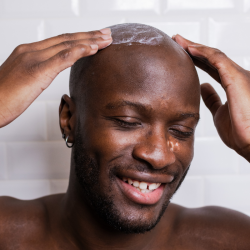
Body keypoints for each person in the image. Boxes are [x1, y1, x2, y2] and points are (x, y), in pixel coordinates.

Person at [0, 23, 249, 249]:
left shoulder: (227, 240)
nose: (159, 156)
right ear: (69, 120)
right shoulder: (8, 235)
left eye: (181, 131)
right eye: (127, 122)